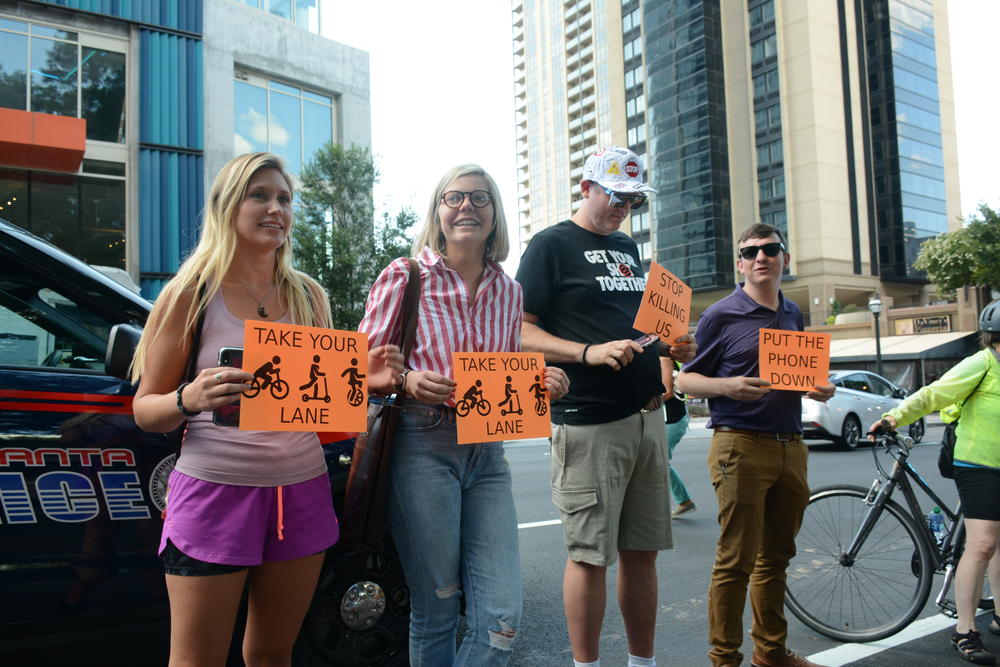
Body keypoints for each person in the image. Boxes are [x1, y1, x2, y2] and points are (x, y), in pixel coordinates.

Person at [130, 152, 403, 667]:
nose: (276, 208)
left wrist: (364, 380)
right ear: (227, 205)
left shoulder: (308, 297)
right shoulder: (190, 294)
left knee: (274, 653)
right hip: (213, 494)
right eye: (260, 196)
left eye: (284, 198)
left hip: (300, 492)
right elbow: (146, 409)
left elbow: (320, 404)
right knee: (196, 660)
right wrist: (190, 398)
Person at [359, 164, 569, 666]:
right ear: (438, 211)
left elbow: (501, 374)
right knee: (435, 609)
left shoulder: (510, 292)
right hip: (420, 445)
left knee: (501, 616)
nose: (466, 206)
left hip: (488, 455)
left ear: (495, 215)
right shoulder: (404, 276)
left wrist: (541, 381)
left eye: (480, 198)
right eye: (454, 197)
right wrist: (407, 379)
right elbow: (357, 370)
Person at [515, 146, 696, 667]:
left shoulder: (625, 246)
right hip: (590, 421)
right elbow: (520, 329)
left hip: (646, 418)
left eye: (634, 200)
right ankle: (586, 665)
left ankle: (643, 662)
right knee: (590, 555)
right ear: (586, 187)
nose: (623, 207)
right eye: (616, 195)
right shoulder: (550, 245)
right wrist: (586, 353)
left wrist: (668, 347)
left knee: (643, 554)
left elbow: (634, 329)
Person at [676, 223, 835, 667]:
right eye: (752, 251)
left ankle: (771, 652)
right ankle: (724, 659)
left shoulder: (793, 313)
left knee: (777, 557)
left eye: (771, 249)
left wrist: (817, 389)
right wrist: (727, 386)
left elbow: (796, 376)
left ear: (785, 258)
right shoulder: (722, 314)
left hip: (792, 444)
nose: (761, 257)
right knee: (735, 561)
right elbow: (685, 380)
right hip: (739, 445)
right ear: (741, 263)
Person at [868, 299, 1000, 665]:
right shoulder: (983, 363)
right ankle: (965, 631)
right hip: (979, 465)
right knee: (983, 544)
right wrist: (893, 418)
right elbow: (933, 394)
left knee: (999, 544)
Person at [661, 357, 695, 517]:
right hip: (669, 419)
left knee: (659, 461)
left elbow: (667, 392)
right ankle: (683, 501)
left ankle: (683, 501)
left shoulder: (663, 359)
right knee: (658, 461)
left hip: (673, 419)